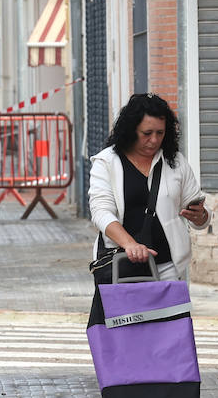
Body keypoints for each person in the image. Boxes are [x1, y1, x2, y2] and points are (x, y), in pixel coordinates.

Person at [89, 92, 210, 283]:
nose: (154, 140)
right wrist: (130, 244)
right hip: (119, 266)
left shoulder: (175, 162)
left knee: (172, 314)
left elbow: (197, 212)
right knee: (124, 314)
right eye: (147, 133)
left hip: (169, 267)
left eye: (160, 133)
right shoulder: (106, 162)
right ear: (131, 130)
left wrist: (201, 216)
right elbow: (101, 212)